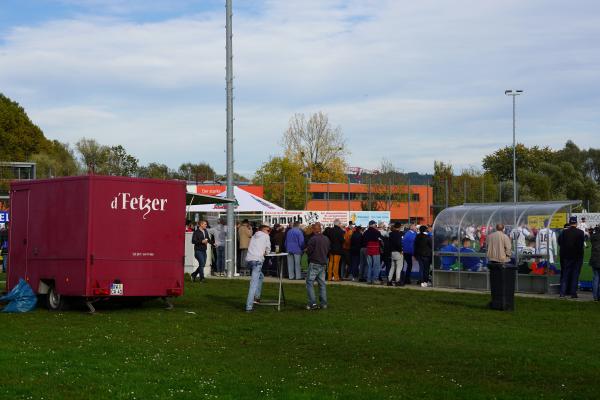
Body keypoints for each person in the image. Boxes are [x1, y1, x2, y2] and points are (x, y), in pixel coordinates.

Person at [245, 225, 272, 312]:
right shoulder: (266, 236)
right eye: (268, 230)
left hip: (249, 260)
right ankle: (249, 307)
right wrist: (266, 252)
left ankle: (257, 297)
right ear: (264, 230)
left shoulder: (254, 236)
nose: (269, 232)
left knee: (261, 276)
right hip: (257, 261)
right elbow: (268, 249)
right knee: (253, 284)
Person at [558, 216, 585, 299]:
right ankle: (573, 293)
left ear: (569, 223)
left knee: (565, 274)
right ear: (576, 223)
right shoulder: (580, 232)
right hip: (577, 257)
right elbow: (581, 246)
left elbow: (561, 243)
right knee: (575, 275)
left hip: (567, 256)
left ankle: (562, 293)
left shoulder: (564, 232)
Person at [305, 222, 330, 310]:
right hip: (323, 262)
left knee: (309, 283)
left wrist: (307, 251)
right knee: (322, 284)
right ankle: (323, 303)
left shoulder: (313, 239)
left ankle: (313, 303)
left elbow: (309, 251)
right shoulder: (326, 238)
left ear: (314, 229)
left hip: (314, 262)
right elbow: (327, 250)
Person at [363, 220, 383, 284]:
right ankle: (375, 279)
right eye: (375, 224)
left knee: (369, 266)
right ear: (374, 225)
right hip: (376, 250)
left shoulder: (365, 232)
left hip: (368, 250)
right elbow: (380, 240)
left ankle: (368, 279)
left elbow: (364, 241)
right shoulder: (377, 232)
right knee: (376, 265)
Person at [589, 225, 600, 301]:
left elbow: (591, 234)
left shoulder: (593, 237)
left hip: (594, 259)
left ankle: (595, 296)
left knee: (596, 277)